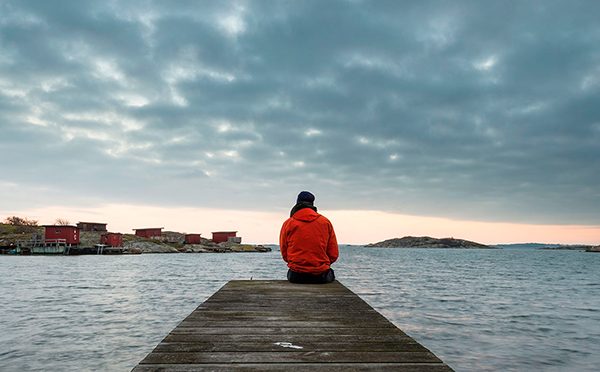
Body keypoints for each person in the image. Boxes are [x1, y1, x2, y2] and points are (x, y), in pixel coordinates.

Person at [279, 191, 339, 284]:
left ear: (297, 203)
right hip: (321, 276)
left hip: (296, 275)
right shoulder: (325, 222)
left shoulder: (288, 223)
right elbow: (333, 254)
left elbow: (284, 252)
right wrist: (321, 264)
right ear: (312, 204)